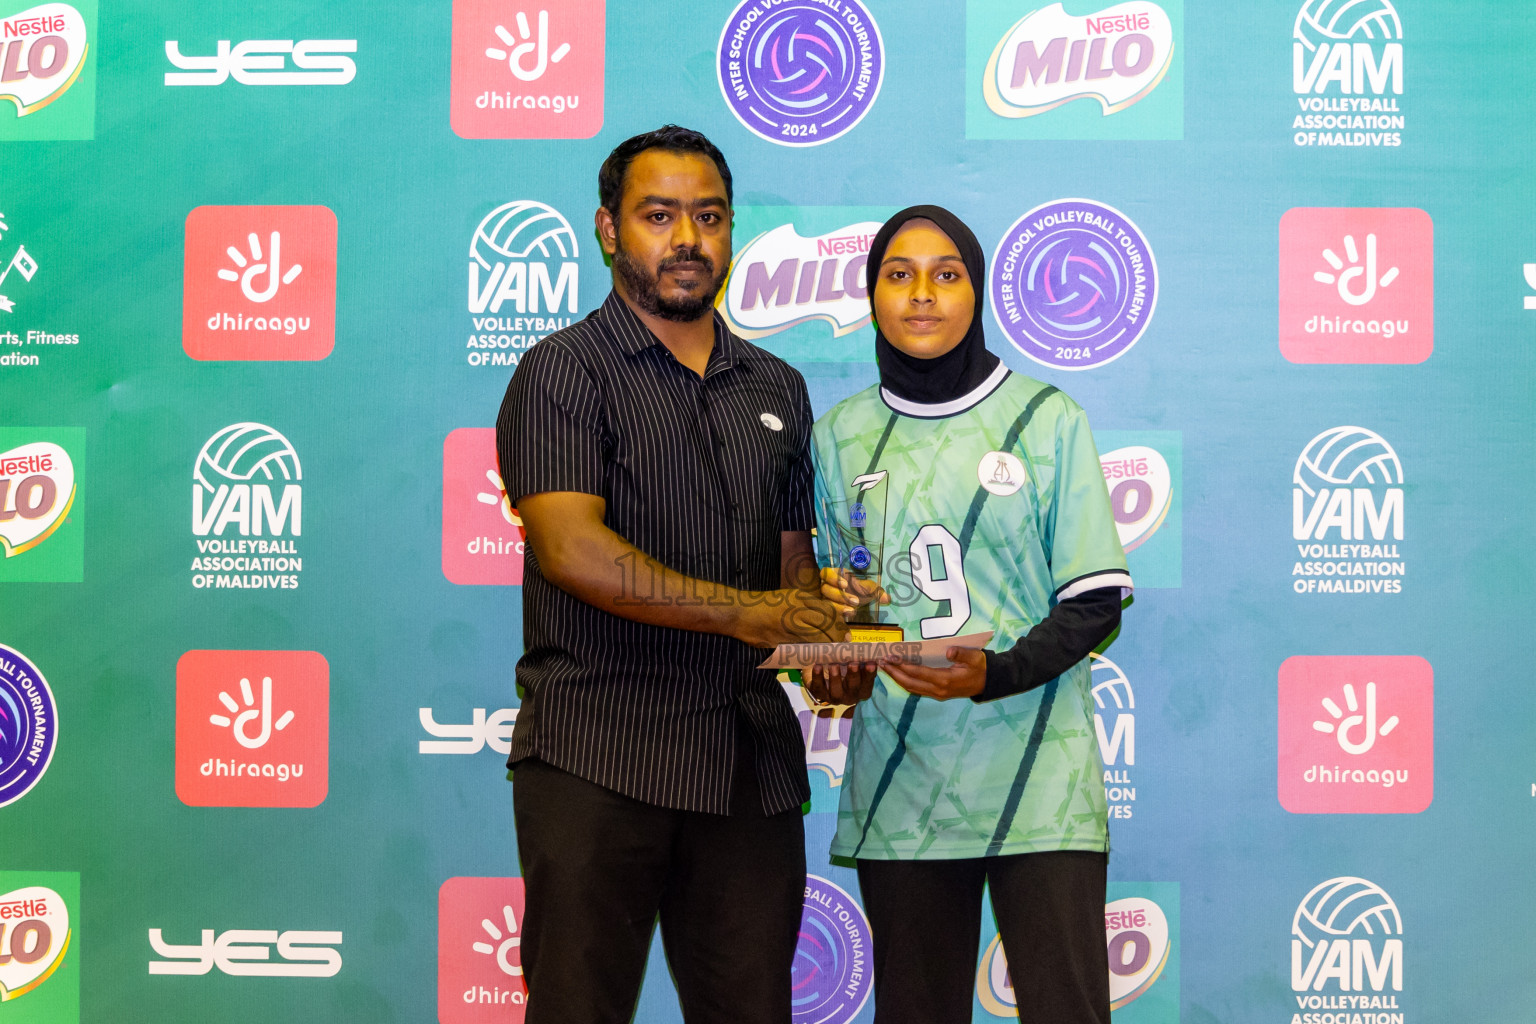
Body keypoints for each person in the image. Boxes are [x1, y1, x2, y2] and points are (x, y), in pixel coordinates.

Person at [494, 125, 871, 1024]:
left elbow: (792, 578)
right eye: (658, 215)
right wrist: (753, 615)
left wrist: (833, 656)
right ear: (608, 231)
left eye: (709, 216)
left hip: (747, 767)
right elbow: (574, 551)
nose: (688, 239)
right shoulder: (561, 373)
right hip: (598, 753)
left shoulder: (776, 386)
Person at [808, 205, 1132, 1024]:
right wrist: (837, 661)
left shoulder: (1045, 418)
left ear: (977, 292)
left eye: (946, 274)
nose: (923, 294)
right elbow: (840, 608)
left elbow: (1094, 601)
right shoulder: (838, 436)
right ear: (872, 295)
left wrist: (998, 673)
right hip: (901, 780)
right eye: (899, 274)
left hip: (1039, 777)